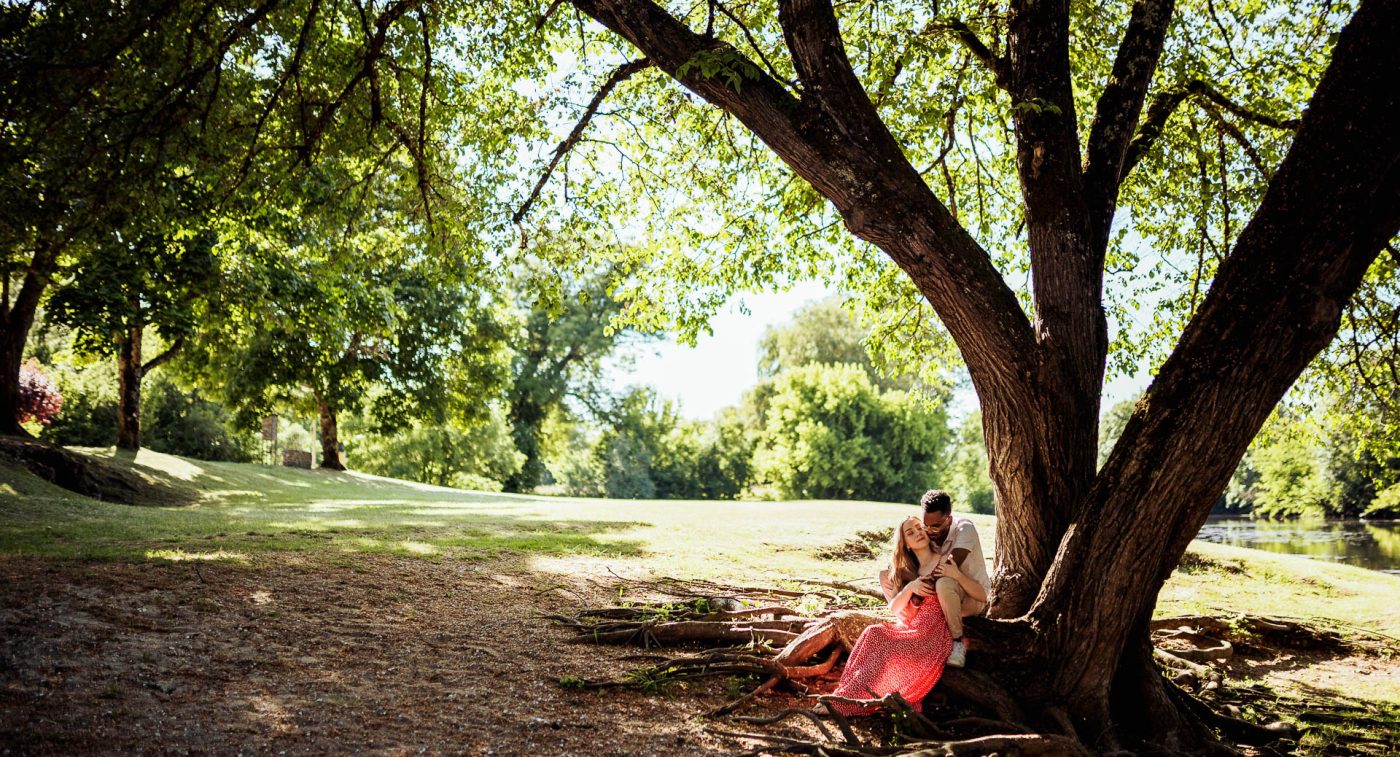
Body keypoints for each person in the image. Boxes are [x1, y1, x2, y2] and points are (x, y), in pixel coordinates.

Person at [828, 516, 954, 715]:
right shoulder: (908, 572)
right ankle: (844, 695)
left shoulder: (946, 561)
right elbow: (896, 610)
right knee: (873, 632)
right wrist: (911, 588)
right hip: (912, 628)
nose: (917, 533)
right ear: (907, 545)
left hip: (933, 633)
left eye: (919, 528)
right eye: (910, 532)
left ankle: (850, 703)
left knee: (885, 644)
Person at [920, 489, 989, 668]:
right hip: (946, 600)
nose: (929, 531)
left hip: (973, 597)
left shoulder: (964, 528)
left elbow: (949, 566)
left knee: (943, 582)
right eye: (925, 525)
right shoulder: (928, 534)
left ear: (948, 519)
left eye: (935, 526)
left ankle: (957, 643)